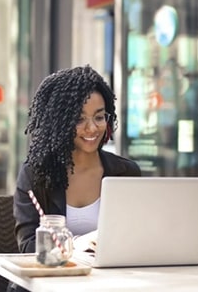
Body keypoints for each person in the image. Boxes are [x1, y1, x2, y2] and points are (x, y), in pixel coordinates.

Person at [13, 65, 141, 256]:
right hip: (52, 282)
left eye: (99, 117)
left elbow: (138, 236)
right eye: (79, 119)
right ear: (59, 123)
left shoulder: (125, 172)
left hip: (110, 281)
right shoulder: (35, 174)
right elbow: (28, 246)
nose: (92, 128)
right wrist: (78, 244)